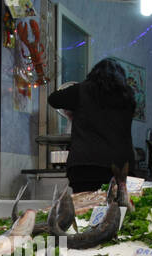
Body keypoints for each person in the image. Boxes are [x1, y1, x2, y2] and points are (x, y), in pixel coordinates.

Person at [47, 58, 137, 193]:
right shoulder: (128, 97)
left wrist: (75, 108)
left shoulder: (82, 90)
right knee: (119, 210)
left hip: (85, 166)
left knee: (86, 209)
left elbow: (53, 99)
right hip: (121, 166)